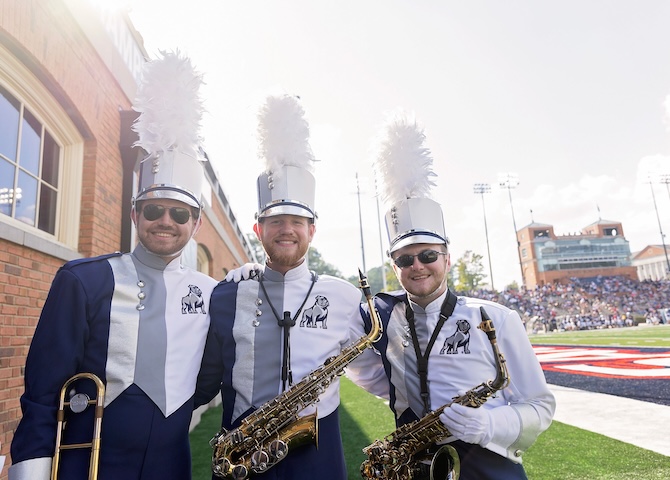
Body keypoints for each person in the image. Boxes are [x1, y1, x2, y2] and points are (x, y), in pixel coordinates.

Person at [9, 51, 217, 480]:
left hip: (170, 466)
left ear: (195, 224)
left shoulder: (212, 293)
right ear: (134, 214)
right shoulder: (83, 279)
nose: (166, 221)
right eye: (154, 209)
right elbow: (44, 390)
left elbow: (211, 375)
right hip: (88, 464)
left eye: (180, 214)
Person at [346, 112, 556, 480]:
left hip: (486, 467)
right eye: (405, 259)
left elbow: (540, 406)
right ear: (394, 266)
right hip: (411, 468)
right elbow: (360, 366)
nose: (418, 266)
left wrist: (489, 424)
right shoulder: (384, 316)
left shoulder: (496, 318)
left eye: (428, 255)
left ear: (447, 256)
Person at [195, 94, 362, 480]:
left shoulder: (345, 296)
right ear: (258, 230)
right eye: (275, 221)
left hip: (317, 454)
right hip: (243, 454)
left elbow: (379, 371)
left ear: (312, 231)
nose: (286, 229)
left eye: (297, 221)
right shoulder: (226, 293)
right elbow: (203, 376)